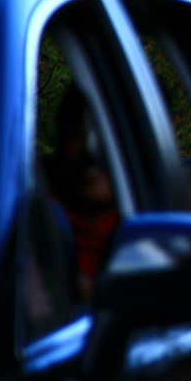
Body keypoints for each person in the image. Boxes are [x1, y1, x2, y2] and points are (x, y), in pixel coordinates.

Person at [42, 85, 120, 301]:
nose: (91, 150)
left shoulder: (149, 226)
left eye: (105, 136)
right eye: (76, 135)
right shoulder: (32, 222)